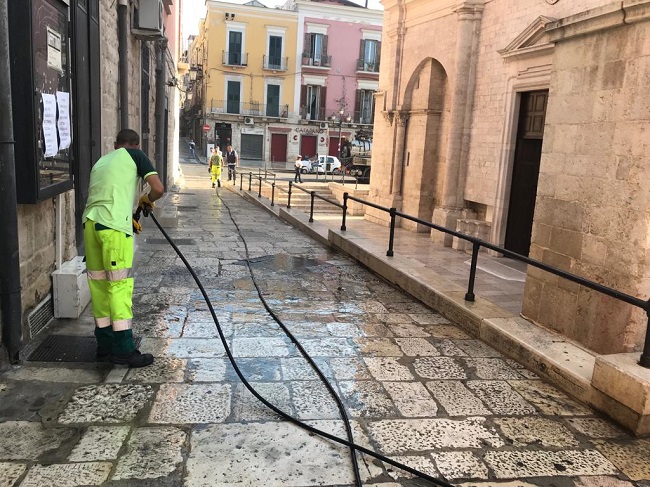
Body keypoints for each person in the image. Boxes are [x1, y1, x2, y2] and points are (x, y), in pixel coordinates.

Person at [82, 129, 164, 367]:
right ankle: (125, 350)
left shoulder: (102, 161)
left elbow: (110, 196)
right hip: (114, 229)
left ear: (115, 144)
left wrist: (128, 216)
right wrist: (147, 200)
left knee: (98, 287)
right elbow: (158, 188)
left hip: (90, 224)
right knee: (119, 286)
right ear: (136, 145)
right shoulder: (136, 156)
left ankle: (104, 347)